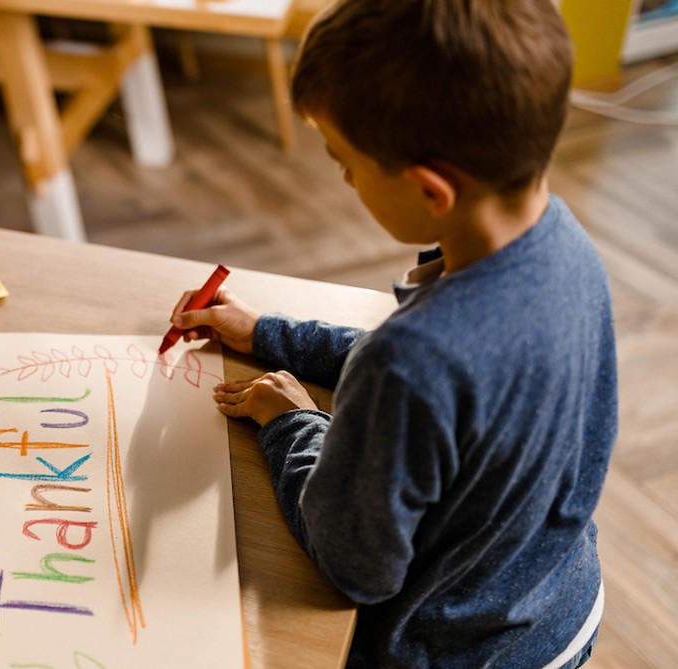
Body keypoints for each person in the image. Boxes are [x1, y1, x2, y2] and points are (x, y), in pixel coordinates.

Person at [168, 1, 615, 667]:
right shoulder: (568, 244)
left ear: (431, 191)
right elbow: (448, 393)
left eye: (344, 159)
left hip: (456, 652)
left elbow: (355, 566)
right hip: (563, 605)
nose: (343, 177)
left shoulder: (410, 362)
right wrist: (267, 332)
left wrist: (293, 421)